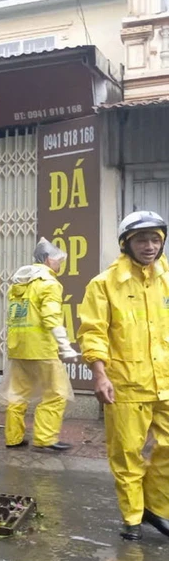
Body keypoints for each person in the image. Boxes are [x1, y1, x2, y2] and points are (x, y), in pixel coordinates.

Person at [79, 210, 169, 541]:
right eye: (141, 240)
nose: (149, 246)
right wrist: (99, 374)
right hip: (126, 385)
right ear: (125, 244)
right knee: (127, 454)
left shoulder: (167, 279)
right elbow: (93, 332)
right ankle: (132, 516)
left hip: (166, 383)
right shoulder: (104, 285)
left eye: (155, 240)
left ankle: (156, 509)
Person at [0, 237, 78, 451]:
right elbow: (51, 317)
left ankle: (13, 437)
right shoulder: (49, 284)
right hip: (42, 348)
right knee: (57, 393)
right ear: (46, 259)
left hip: (18, 348)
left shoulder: (18, 283)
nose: (60, 264)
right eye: (57, 260)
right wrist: (65, 346)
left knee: (17, 393)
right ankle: (45, 438)